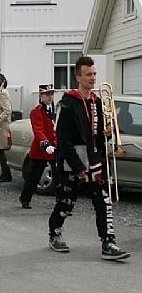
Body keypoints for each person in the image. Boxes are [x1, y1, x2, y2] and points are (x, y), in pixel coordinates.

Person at [48, 57, 130, 260]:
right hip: (73, 162)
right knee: (67, 202)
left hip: (95, 160)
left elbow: (98, 134)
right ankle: (55, 233)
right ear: (78, 77)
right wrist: (77, 167)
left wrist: (109, 133)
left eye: (94, 74)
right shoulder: (67, 103)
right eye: (88, 75)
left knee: (104, 203)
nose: (93, 78)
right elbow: (63, 140)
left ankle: (108, 242)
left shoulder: (98, 100)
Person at [20, 84, 57, 209]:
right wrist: (45, 143)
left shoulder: (56, 111)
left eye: (51, 94)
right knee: (33, 177)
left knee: (59, 178)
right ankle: (25, 199)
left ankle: (61, 204)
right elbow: (38, 130)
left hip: (55, 148)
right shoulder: (36, 112)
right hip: (41, 149)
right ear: (41, 96)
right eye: (47, 94)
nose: (50, 97)